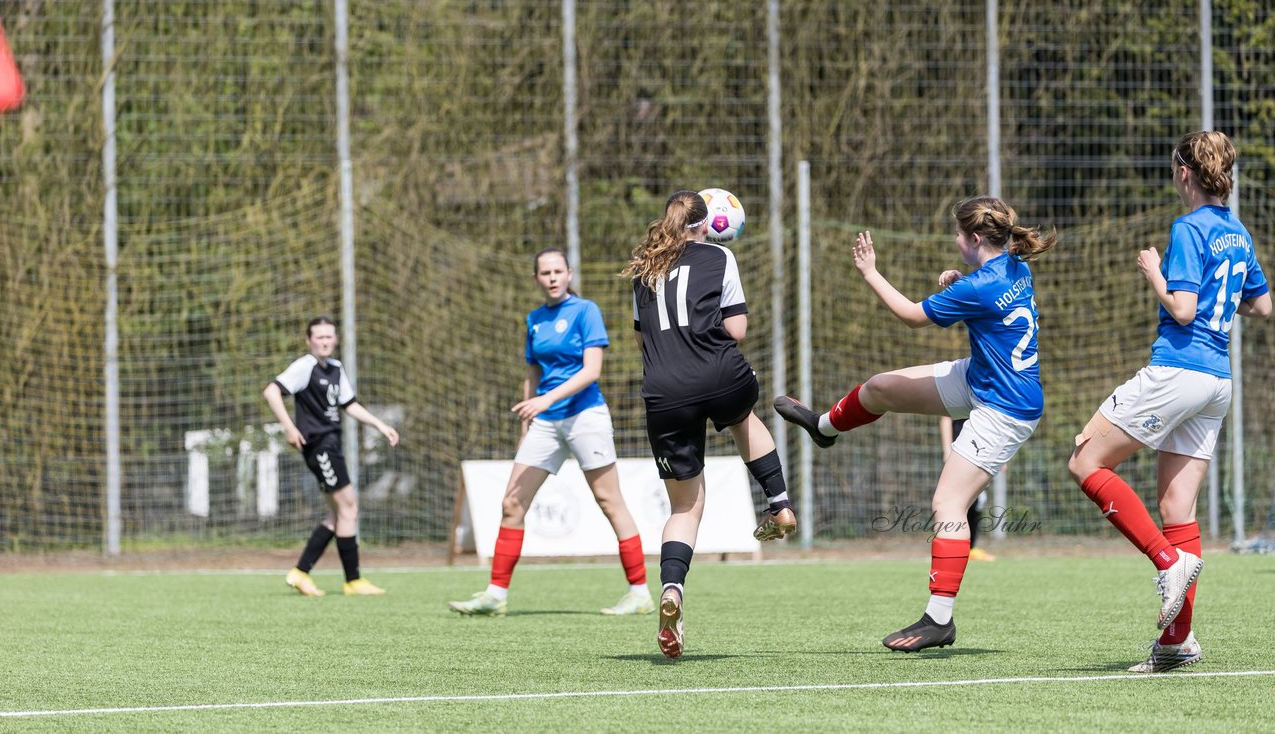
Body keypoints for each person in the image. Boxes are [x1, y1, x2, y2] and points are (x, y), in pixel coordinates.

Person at [775, 196, 1056, 652]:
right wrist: (959, 281)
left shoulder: (980, 286)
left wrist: (869, 272)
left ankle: (938, 620)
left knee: (948, 503)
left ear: (976, 239)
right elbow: (986, 299)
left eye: (959, 235)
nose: (955, 241)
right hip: (985, 376)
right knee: (882, 387)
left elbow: (910, 316)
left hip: (1005, 404)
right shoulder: (1013, 267)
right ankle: (823, 427)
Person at [1068, 131, 1270, 673]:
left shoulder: (1189, 227)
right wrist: (1221, 305)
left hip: (1179, 370)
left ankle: (1165, 562)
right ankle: (1177, 643)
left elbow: (1182, 310)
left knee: (1085, 460)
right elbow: (1264, 305)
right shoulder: (1237, 230)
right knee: (1178, 510)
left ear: (1185, 171)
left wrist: (1156, 272)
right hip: (1217, 382)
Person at [621, 190, 798, 659]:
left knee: (684, 509)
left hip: (663, 391)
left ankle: (672, 589)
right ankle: (778, 503)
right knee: (742, 417)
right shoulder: (720, 256)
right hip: (720, 375)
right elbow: (737, 330)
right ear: (709, 223)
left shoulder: (643, 266)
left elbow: (642, 337)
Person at [448, 249, 652, 617]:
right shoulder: (535, 319)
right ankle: (495, 595)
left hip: (585, 416)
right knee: (512, 503)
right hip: (544, 422)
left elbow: (591, 371)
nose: (553, 277)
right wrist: (527, 425)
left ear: (570, 273)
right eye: (545, 272)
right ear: (536, 279)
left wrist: (545, 401)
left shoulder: (586, 310)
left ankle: (639, 592)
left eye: (559, 271)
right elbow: (532, 374)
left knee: (610, 501)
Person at [263, 316, 399, 597]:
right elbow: (272, 391)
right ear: (309, 340)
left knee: (338, 515)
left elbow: (349, 404)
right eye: (319, 337)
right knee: (349, 509)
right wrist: (290, 428)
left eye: (329, 337)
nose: (324, 341)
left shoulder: (335, 368)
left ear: (335, 339)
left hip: (331, 444)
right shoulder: (305, 366)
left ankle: (301, 573)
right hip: (319, 446)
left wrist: (380, 424)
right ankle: (353, 581)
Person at [939, 417, 994, 561]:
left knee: (976, 501)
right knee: (957, 502)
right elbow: (945, 418)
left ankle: (968, 548)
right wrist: (947, 449)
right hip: (961, 452)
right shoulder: (962, 397)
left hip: (979, 452)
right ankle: (960, 548)